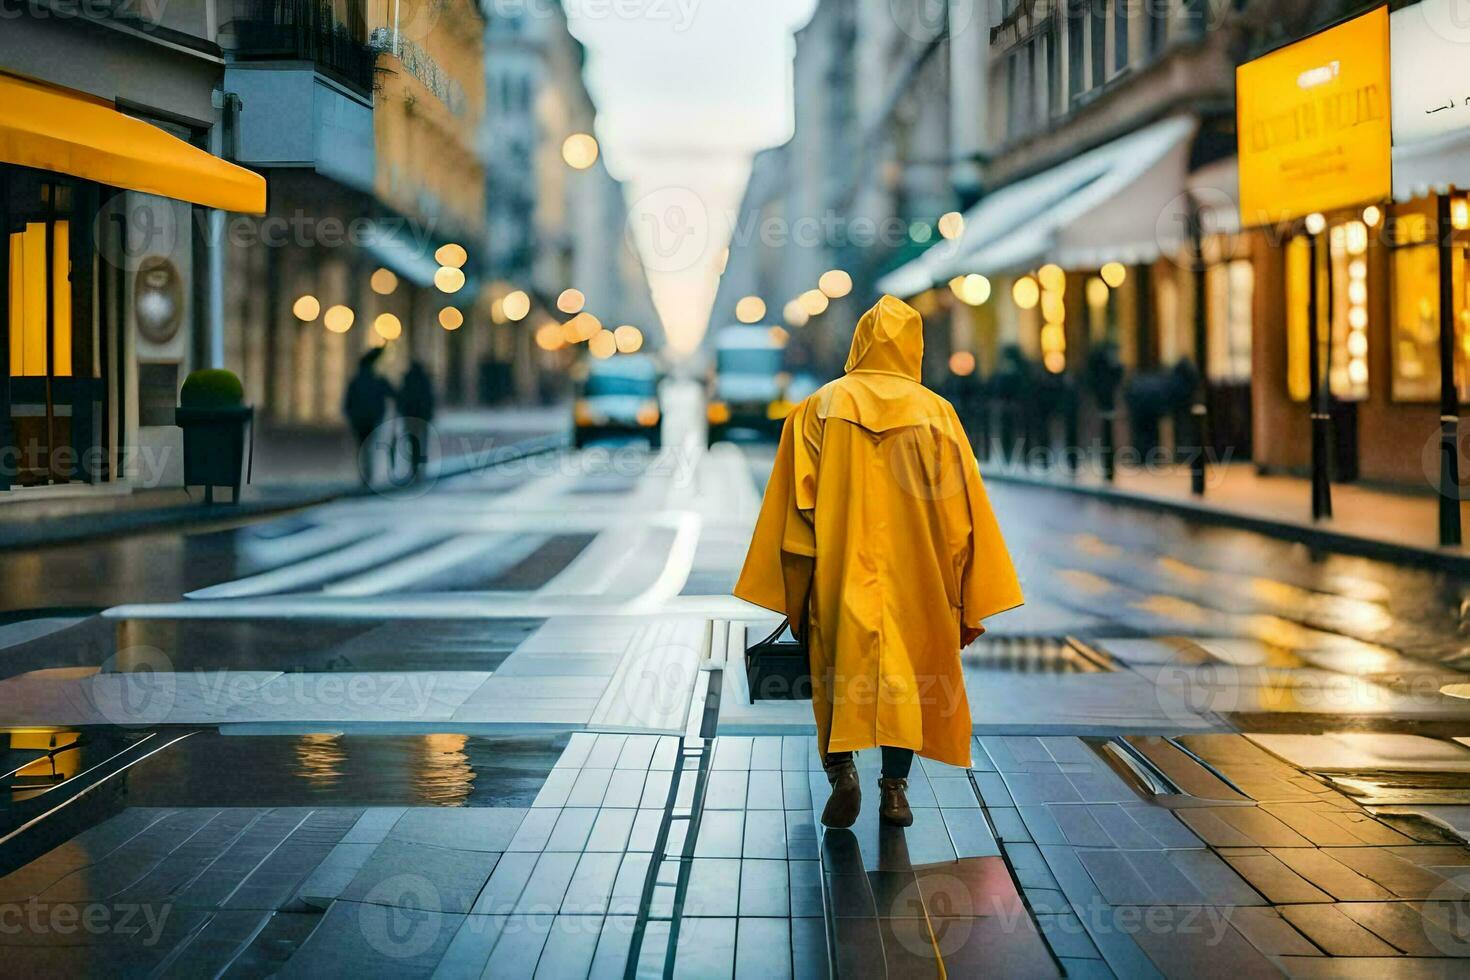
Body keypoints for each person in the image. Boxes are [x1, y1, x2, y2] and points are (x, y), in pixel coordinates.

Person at [734, 295, 1023, 829]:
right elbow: (964, 516)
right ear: (914, 347)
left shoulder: (817, 409)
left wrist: (795, 594)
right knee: (907, 680)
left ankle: (842, 770)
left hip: (839, 574)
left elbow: (795, 519)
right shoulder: (937, 414)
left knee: (836, 673)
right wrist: (965, 597)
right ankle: (895, 791)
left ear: (860, 341)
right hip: (920, 579)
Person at [344, 348, 394, 484]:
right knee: (368, 447)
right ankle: (367, 474)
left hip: (361, 420)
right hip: (371, 419)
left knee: (363, 447)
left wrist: (351, 416)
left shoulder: (357, 381)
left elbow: (348, 402)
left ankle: (365, 475)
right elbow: (393, 393)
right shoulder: (375, 380)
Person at [397, 360, 436, 481]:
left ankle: (414, 467)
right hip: (421, 417)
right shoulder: (424, 381)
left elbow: (402, 399)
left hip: (410, 417)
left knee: (413, 443)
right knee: (421, 442)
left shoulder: (407, 381)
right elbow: (430, 399)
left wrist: (403, 412)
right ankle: (420, 467)